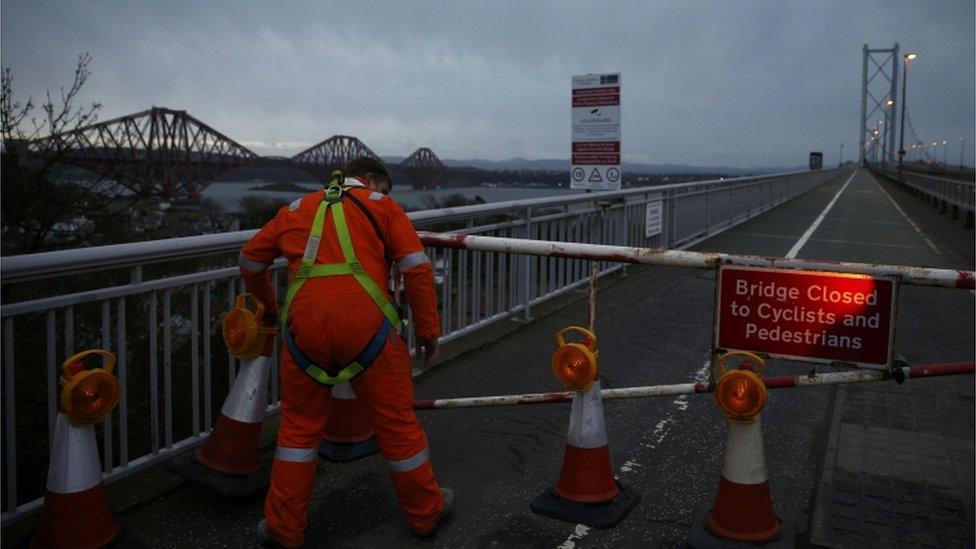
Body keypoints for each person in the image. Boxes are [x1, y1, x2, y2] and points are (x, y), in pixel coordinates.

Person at [237, 156, 451, 547]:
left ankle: (284, 528)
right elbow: (417, 268)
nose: (384, 195)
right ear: (369, 179)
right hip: (369, 329)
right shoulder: (383, 207)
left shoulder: (295, 209)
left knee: (298, 432)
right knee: (396, 425)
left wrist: (270, 306)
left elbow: (249, 260)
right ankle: (426, 513)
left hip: (305, 335)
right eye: (383, 187)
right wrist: (428, 332)